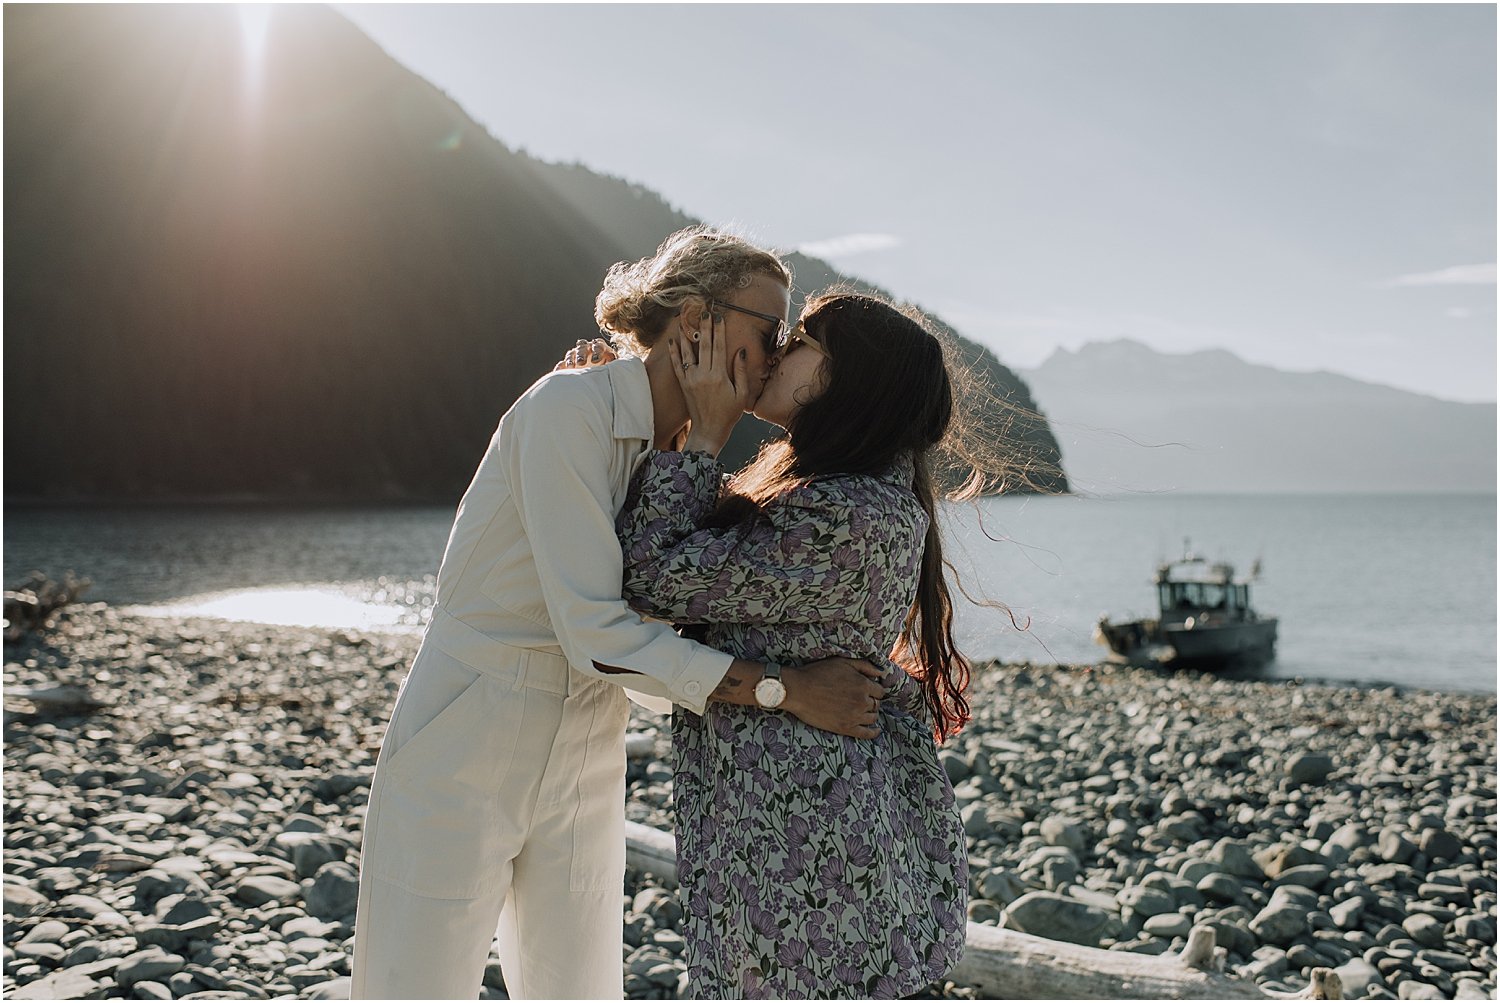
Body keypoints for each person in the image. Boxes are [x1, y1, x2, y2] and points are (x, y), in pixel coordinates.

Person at [350, 228, 887, 1000]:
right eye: (769, 329)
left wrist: (703, 444)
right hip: (467, 730)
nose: (776, 355)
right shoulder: (567, 410)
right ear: (694, 318)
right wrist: (786, 689)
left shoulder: (686, 458)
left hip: (589, 742)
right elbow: (596, 632)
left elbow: (664, 629)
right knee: (412, 988)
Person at [614, 290, 973, 999]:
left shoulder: (848, 515)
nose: (779, 349)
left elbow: (651, 576)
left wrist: (706, 436)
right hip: (795, 830)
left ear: (846, 381)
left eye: (805, 339)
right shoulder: (832, 491)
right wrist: (614, 400)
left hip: (807, 843)